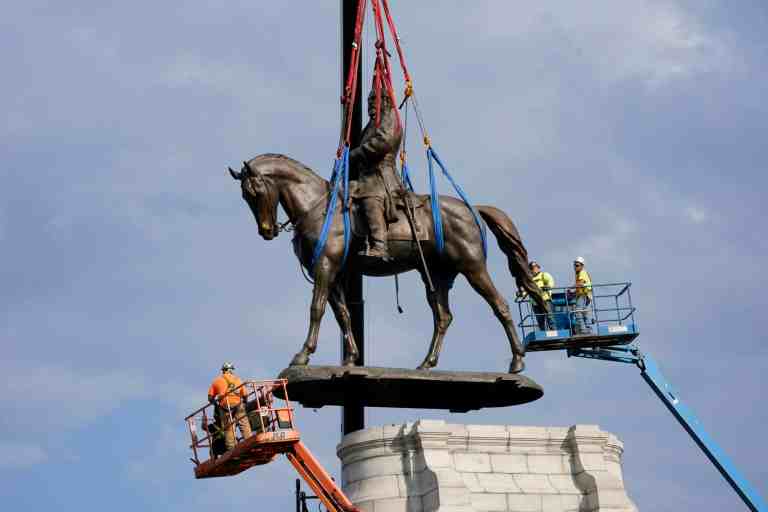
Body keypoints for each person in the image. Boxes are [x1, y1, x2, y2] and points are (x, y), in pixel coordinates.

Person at [349, 85, 403, 261]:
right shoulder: (370, 125)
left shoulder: (390, 116)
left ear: (385, 101)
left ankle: (380, 246)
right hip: (366, 176)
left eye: (374, 99)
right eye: (369, 100)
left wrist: (355, 154)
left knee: (370, 198)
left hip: (381, 176)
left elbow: (383, 142)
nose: (371, 103)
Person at [207, 362, 252, 452]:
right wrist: (245, 402)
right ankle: (249, 443)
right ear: (232, 370)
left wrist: (216, 404)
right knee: (244, 424)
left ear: (223, 371)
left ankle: (231, 449)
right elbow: (245, 395)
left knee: (229, 428)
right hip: (238, 405)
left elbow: (210, 397)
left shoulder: (217, 381)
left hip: (225, 406)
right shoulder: (238, 380)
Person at [528, 261, 555, 330]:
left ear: (538, 268)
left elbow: (550, 281)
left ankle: (553, 330)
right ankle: (543, 331)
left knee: (549, 317)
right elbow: (526, 290)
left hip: (545, 299)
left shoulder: (544, 275)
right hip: (535, 302)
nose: (533, 269)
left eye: (535, 267)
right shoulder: (529, 280)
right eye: (532, 268)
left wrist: (548, 286)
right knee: (540, 319)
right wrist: (521, 293)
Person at [570, 256, 593, 334]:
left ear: (582, 266)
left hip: (583, 295)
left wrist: (570, 289)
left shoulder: (582, 272)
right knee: (585, 314)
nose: (575, 267)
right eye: (574, 265)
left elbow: (580, 283)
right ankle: (588, 330)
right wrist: (573, 293)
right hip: (585, 295)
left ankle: (583, 330)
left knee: (578, 312)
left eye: (577, 265)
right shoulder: (579, 273)